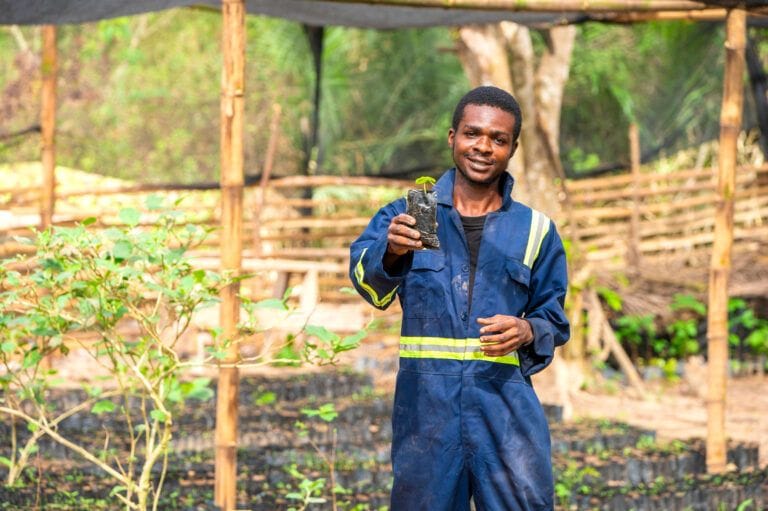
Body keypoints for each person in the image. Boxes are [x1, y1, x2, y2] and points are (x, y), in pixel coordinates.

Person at [349, 85, 570, 510]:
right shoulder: (410, 215)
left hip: (505, 412)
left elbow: (554, 320)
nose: (483, 147)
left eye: (498, 139)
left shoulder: (536, 230)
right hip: (426, 414)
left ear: (512, 148)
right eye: (473, 133)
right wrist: (391, 251)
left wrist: (527, 329)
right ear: (453, 137)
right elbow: (366, 282)